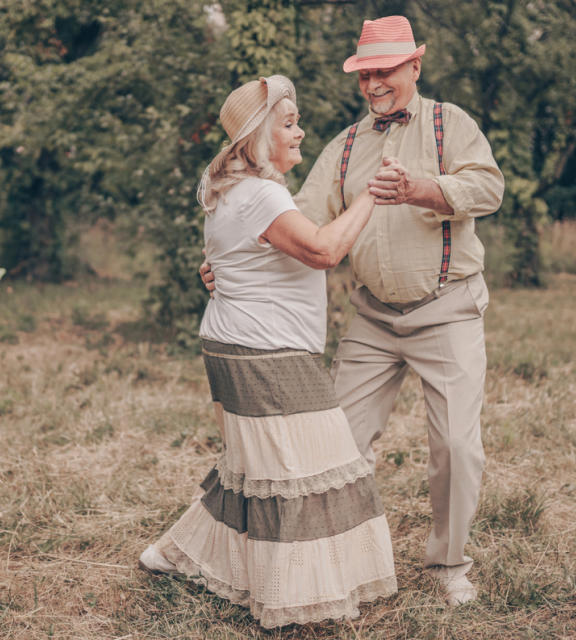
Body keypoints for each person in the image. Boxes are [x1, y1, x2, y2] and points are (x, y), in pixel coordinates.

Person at [200, 16, 505, 606]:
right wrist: (228, 263)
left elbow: (489, 189)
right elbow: (296, 224)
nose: (373, 85)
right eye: (365, 74)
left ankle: (448, 564)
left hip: (447, 310)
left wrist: (424, 189)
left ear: (414, 66)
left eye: (384, 71)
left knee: (456, 447)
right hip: (371, 319)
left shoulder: (451, 125)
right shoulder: (342, 148)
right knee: (333, 441)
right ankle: (338, 560)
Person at [139, 75, 397, 629]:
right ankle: (288, 597)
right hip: (264, 351)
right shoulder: (260, 193)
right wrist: (372, 193)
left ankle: (171, 553)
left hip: (238, 343)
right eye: (288, 123)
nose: (299, 131)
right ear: (258, 137)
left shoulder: (231, 191)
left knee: (249, 470)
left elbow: (233, 261)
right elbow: (324, 250)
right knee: (303, 470)